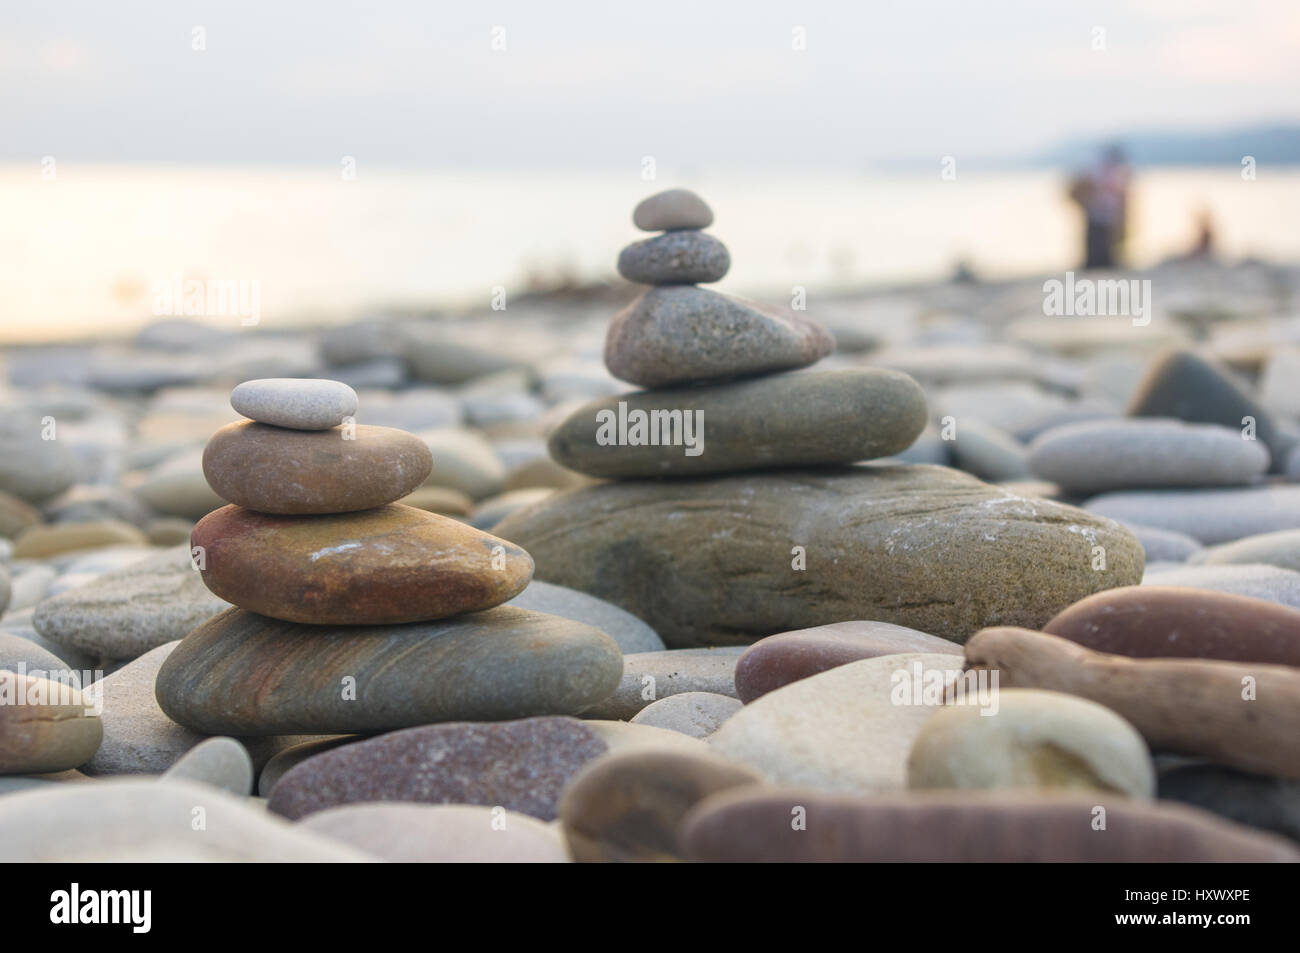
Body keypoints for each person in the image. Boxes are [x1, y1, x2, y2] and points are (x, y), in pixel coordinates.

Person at [1067, 146, 1131, 269]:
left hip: (1101, 215)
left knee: (1103, 245)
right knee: (1099, 244)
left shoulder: (1099, 171)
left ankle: (1101, 263)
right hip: (1098, 215)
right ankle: (1099, 263)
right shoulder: (1102, 173)